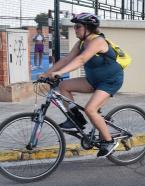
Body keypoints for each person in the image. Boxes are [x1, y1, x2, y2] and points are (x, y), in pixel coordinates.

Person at [39, 13, 124, 157]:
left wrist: (60, 72)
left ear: (88, 28)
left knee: (91, 109)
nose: (75, 29)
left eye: (78, 26)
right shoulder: (81, 43)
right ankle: (76, 119)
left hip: (110, 81)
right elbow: (67, 59)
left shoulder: (98, 41)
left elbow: (81, 59)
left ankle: (109, 141)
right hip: (93, 80)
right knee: (64, 86)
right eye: (74, 26)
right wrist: (47, 73)